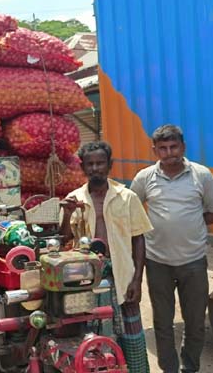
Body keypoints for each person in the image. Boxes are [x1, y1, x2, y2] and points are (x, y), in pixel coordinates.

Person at [130, 124, 213, 373]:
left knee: (194, 323)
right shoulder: (144, 177)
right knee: (162, 323)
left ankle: (190, 367)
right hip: (157, 262)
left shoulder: (202, 175)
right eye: (163, 148)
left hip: (193, 262)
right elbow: (131, 211)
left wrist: (190, 220)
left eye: (174, 147)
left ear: (183, 147)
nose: (169, 152)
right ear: (155, 150)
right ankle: (169, 368)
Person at [59, 141, 153, 373]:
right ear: (83, 168)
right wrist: (67, 213)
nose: (95, 168)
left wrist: (136, 281)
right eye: (90, 164)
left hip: (121, 274)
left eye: (100, 163)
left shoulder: (127, 197)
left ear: (109, 165)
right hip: (87, 277)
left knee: (130, 333)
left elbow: (138, 239)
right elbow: (63, 239)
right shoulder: (74, 199)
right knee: (91, 331)